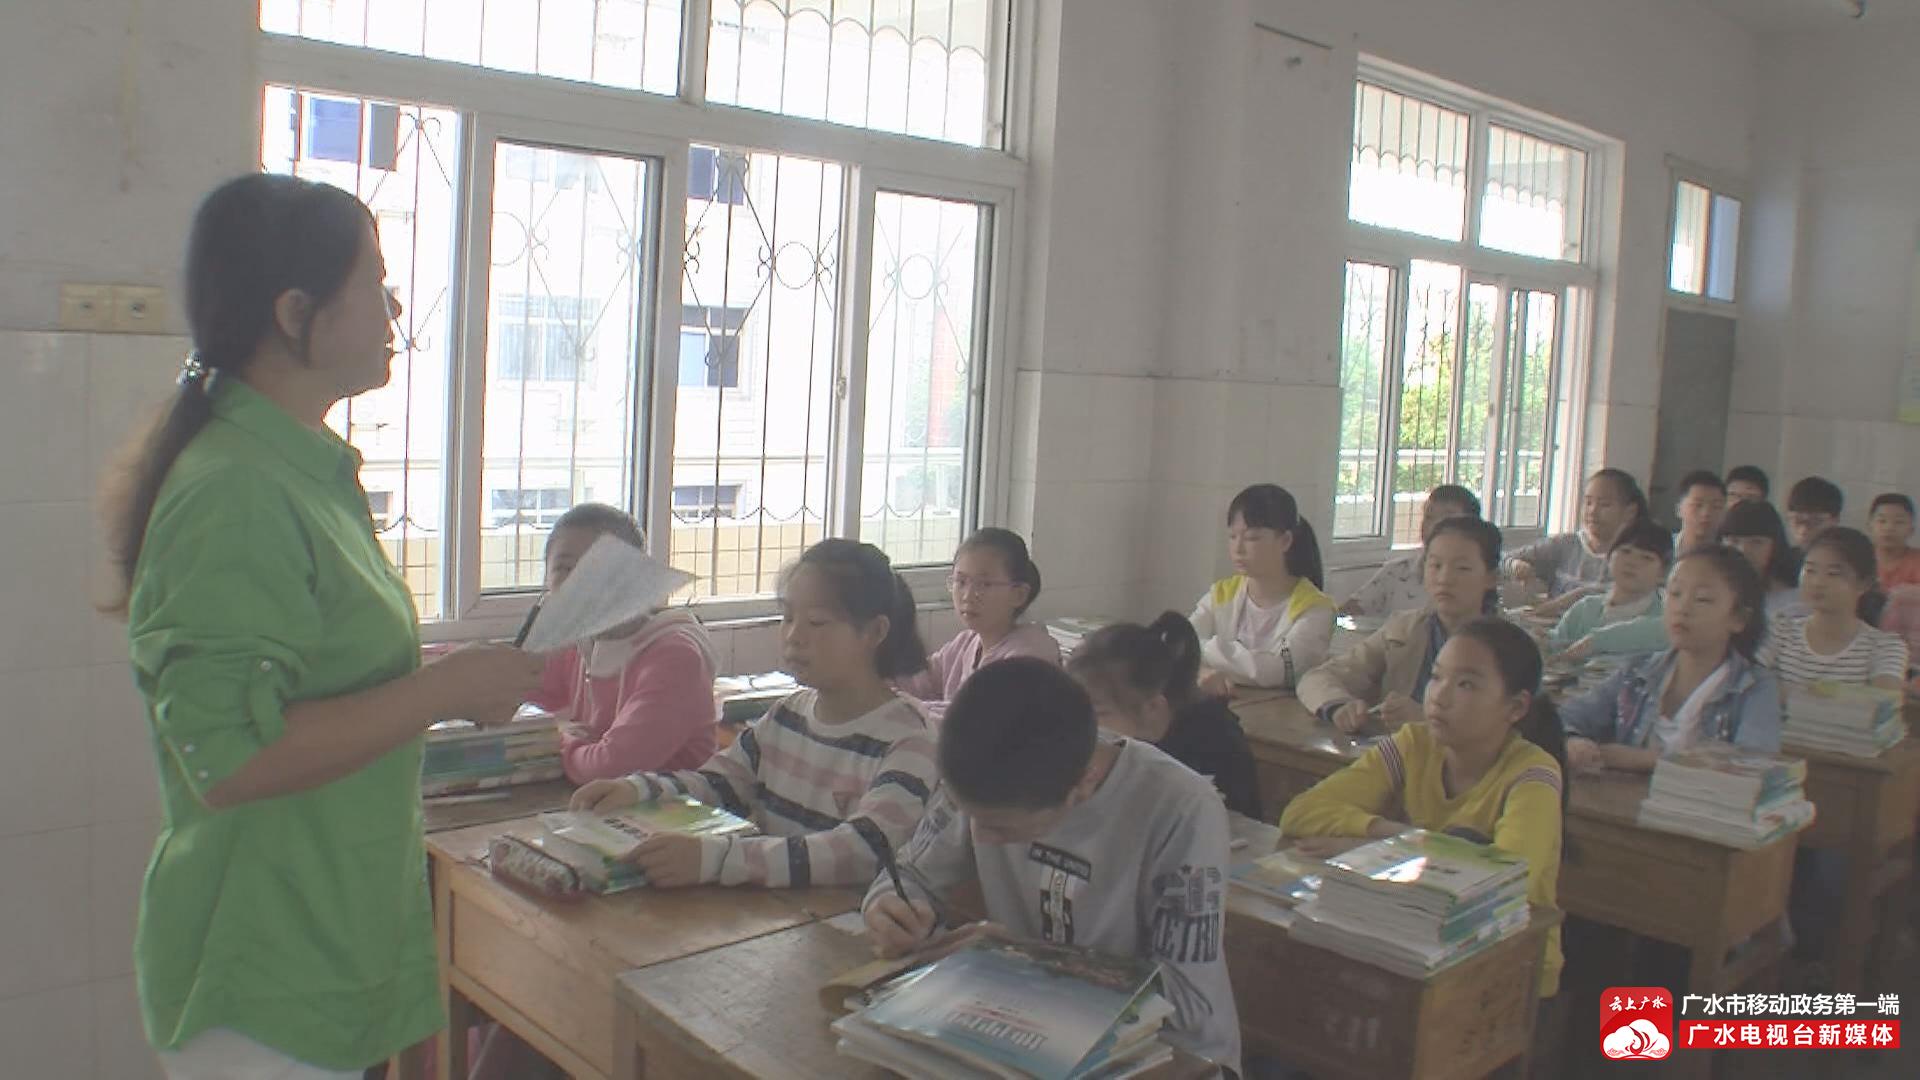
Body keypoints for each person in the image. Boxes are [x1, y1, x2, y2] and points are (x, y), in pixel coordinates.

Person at [107, 175, 544, 1078]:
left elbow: (329, 673)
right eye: (374, 283)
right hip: (263, 965)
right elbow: (232, 760)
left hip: (325, 941)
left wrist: (447, 684)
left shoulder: (299, 469)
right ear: (295, 311)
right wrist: (443, 689)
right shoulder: (234, 489)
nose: (394, 311)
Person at [862, 659, 1242, 1072]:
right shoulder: (981, 771)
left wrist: (1016, 960)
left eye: (1000, 827)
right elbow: (910, 875)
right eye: (972, 818)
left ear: (1084, 783)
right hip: (1028, 1030)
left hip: (1168, 1058)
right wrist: (890, 909)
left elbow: (1186, 1001)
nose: (980, 837)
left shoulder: (1181, 808)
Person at [570, 539, 938, 888]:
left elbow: (862, 850)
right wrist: (637, 789)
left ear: (874, 632)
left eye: (816, 622)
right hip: (772, 915)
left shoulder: (909, 739)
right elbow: (719, 783)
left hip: (848, 923)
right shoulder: (787, 715)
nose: (794, 636)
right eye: (787, 617)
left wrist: (719, 859)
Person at [1280, 618, 1566, 996]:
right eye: (1436, 676)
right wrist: (1389, 835)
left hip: (1508, 966)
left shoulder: (1533, 773)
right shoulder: (1414, 744)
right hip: (1418, 942)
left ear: (1515, 707)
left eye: (1466, 684)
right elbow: (1300, 813)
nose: (1439, 697)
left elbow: (1501, 881)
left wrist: (1379, 848)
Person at [529, 504, 718, 782]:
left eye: (598, 569)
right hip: (595, 802)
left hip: (667, 805)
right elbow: (510, 709)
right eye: (564, 568)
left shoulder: (676, 658)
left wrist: (555, 736)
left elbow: (609, 768)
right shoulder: (575, 643)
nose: (580, 583)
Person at [1560, 548, 1781, 773]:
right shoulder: (1639, 671)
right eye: (1674, 593)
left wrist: (1643, 760)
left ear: (1739, 619)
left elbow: (1752, 763)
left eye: (1703, 599)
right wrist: (1574, 742)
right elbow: (1566, 718)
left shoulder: (1753, 687)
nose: (1682, 608)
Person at [1300, 516, 1504, 736]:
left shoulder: (1508, 646)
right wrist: (1339, 706)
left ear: (1491, 578)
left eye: (1462, 568)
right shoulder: (1404, 629)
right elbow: (1317, 678)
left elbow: (1511, 726)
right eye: (1435, 565)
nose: (1444, 578)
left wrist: (1428, 720)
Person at [1067, 614, 1263, 818]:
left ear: (1153, 707)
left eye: (1099, 714)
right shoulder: (1101, 741)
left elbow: (1236, 822)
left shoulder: (1213, 742)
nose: (1084, 724)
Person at [895, 528, 1059, 716]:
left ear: (1018, 594)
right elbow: (921, 678)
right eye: (961, 582)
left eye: (984, 584)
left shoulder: (1030, 655)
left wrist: (906, 705)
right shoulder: (966, 643)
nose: (968, 596)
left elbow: (976, 718)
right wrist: (882, 687)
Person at [1190, 484, 1334, 694]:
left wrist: (1203, 652)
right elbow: (1181, 643)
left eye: (1252, 538)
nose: (1238, 549)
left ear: (1285, 541)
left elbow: (1277, 671)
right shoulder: (1222, 594)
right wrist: (1202, 670)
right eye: (1232, 536)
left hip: (1283, 712)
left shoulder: (1315, 608)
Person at [1760, 527, 1909, 693]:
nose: (1817, 582)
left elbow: (1883, 701)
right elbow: (1751, 686)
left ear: (1864, 584)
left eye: (1833, 574)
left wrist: (1789, 692)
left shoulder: (1885, 647)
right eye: (1810, 570)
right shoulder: (1780, 630)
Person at [1341, 484, 1482, 618]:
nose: (1435, 526)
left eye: (1447, 519)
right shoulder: (1397, 572)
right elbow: (1346, 613)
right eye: (1429, 517)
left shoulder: (1478, 578)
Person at [1506, 468, 1647, 600]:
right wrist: (1516, 565)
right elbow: (1503, 558)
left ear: (1630, 512)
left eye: (1604, 504)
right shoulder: (1565, 545)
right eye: (1588, 502)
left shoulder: (1640, 557)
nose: (1592, 511)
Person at [1548, 520, 1672, 661]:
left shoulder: (1665, 617)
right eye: (1625, 551)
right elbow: (1556, 644)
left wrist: (1595, 641)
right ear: (1609, 557)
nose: (1632, 562)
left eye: (1646, 558)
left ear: (1663, 572)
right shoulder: (1585, 608)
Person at [1720, 499, 1805, 620]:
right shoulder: (1709, 593)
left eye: (1756, 542)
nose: (1743, 550)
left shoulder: (1795, 602)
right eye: (1734, 541)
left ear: (1775, 546)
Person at [1867, 494, 1920, 592]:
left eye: (1899, 522)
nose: (1889, 528)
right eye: (1882, 521)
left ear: (1911, 530)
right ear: (1870, 526)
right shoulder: (1856, 559)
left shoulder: (1917, 560)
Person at [1672, 470, 1728, 556]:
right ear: (1678, 509)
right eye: (1697, 505)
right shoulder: (1663, 547)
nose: (1706, 513)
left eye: (1716, 506)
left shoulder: (1729, 556)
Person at [1786, 476, 1844, 552]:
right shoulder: (1784, 557)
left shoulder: (1847, 557)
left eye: (1815, 521)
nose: (1803, 529)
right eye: (1797, 520)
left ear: (1835, 520)